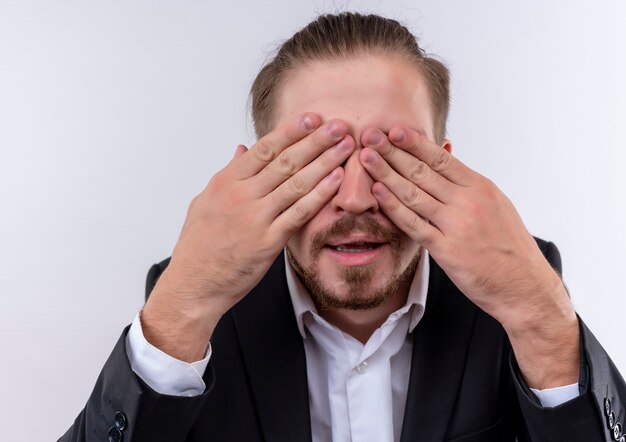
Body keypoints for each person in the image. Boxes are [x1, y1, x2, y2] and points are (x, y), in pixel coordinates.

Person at [60, 12, 625, 442]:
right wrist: (178, 310)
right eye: (316, 161)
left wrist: (543, 320)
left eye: (393, 158)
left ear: (445, 165)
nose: (355, 199)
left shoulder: (522, 284)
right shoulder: (191, 299)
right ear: (258, 173)